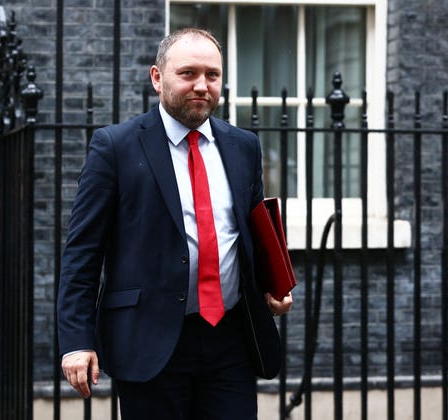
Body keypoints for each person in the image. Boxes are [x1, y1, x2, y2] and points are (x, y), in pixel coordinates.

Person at [58, 27, 293, 419]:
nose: (202, 85)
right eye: (188, 74)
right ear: (157, 77)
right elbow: (83, 251)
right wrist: (76, 341)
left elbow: (250, 232)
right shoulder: (115, 146)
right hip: (150, 341)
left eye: (212, 75)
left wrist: (273, 285)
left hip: (231, 338)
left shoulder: (244, 146)